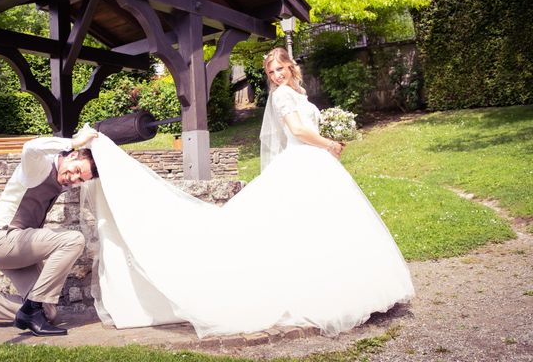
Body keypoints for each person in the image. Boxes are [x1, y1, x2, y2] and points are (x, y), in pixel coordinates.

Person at [77, 47, 415, 338]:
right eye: (271, 71)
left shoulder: (298, 93)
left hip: (314, 163)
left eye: (281, 68)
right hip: (306, 161)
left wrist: (326, 139)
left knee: (323, 228)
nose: (278, 75)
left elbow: (304, 124)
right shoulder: (282, 96)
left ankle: (348, 289)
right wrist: (328, 143)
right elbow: (297, 130)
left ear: (291, 67)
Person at [0, 130, 99, 337]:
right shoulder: (39, 168)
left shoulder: (61, 179)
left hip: (21, 247)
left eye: (80, 179)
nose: (73, 178)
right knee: (73, 239)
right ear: (73, 155)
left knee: (48, 313)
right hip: (0, 239)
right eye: (76, 170)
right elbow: (30, 147)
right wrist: (74, 141)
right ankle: (31, 310)